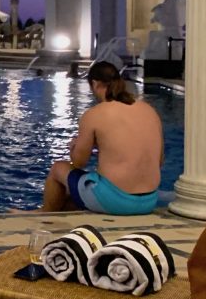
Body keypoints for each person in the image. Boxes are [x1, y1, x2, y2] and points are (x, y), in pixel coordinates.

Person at [40, 61, 163, 213]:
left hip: (116, 201)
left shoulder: (95, 114)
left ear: (95, 84)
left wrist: (74, 146)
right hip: (149, 201)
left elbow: (78, 163)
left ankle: (43, 214)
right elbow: (160, 160)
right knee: (68, 200)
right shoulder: (149, 110)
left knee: (58, 168)